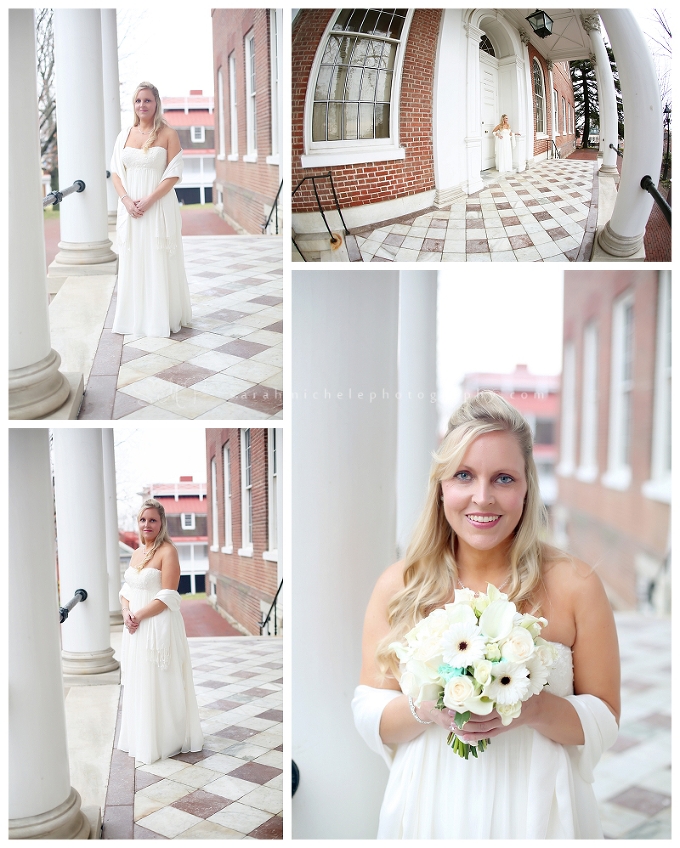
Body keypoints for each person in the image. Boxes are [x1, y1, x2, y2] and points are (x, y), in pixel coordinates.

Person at [353, 392, 620, 838]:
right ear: (441, 487)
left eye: (503, 478)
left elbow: (605, 717)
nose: (482, 497)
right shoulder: (399, 586)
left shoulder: (577, 585)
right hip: (431, 808)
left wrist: (532, 708)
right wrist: (427, 709)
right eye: (464, 475)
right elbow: (367, 708)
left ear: (526, 488)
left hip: (538, 811)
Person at [118, 498, 203, 764]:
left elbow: (168, 596)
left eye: (152, 520)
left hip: (157, 625)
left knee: (160, 680)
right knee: (140, 679)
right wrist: (126, 613)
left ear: (161, 523)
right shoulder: (136, 552)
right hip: (134, 627)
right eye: (143, 519)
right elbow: (127, 591)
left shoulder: (168, 552)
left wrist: (139, 616)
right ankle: (140, 736)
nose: (147, 524)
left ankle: (166, 738)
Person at [110, 82, 192, 338]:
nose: (142, 105)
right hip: (130, 208)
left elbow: (173, 174)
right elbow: (115, 172)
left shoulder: (168, 133)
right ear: (133, 105)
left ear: (156, 103)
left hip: (158, 206)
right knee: (135, 259)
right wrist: (126, 200)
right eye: (138, 101)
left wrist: (149, 200)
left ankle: (159, 318)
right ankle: (134, 318)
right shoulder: (124, 135)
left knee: (157, 258)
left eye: (147, 100)